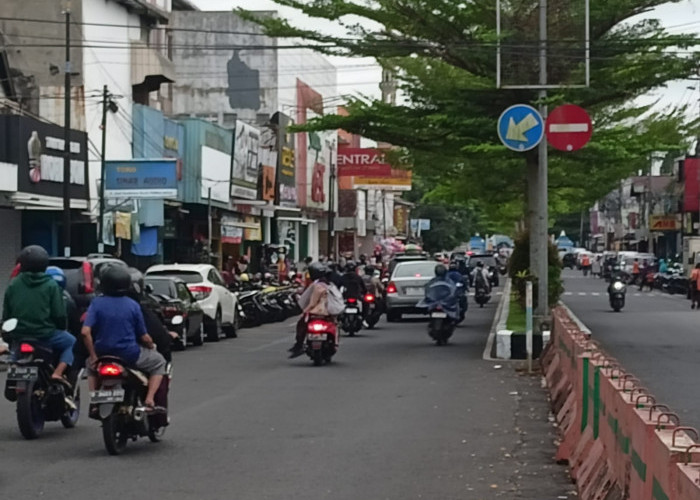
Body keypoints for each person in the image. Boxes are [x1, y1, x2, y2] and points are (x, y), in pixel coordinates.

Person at [81, 265, 167, 411]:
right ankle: (150, 399)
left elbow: (85, 332)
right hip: (129, 355)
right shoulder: (133, 305)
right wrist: (151, 345)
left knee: (90, 367)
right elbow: (144, 336)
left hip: (102, 353)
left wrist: (93, 355)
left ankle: (94, 399)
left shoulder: (96, 303)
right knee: (159, 362)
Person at [2, 246, 75, 384]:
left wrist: (7, 332)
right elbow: (59, 314)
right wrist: (61, 327)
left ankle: (13, 369)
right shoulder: (51, 285)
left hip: (19, 335)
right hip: (45, 335)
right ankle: (58, 373)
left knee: (14, 350)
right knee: (71, 342)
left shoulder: (13, 284)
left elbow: (7, 313)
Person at [289, 263, 332, 358]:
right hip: (328, 311)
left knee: (301, 324)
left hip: (318, 311)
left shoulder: (317, 286)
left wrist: (305, 310)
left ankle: (299, 345)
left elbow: (312, 301)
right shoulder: (328, 283)